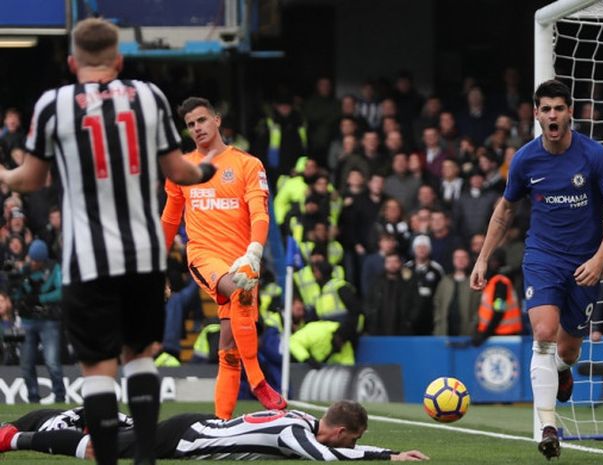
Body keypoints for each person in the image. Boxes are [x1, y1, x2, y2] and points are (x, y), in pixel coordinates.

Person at [0, 18, 217, 465]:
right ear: (118, 61)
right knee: (141, 357)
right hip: (143, 253)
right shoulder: (149, 97)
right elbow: (180, 172)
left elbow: (33, 179)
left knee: (98, 367)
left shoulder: (53, 104)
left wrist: (3, 173)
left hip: (87, 259)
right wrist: (207, 171)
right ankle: (144, 458)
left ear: (70, 62)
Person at [470, 79, 603, 460]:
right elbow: (505, 210)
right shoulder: (525, 159)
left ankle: (560, 368)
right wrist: (482, 258)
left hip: (585, 263)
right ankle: (547, 426)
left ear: (569, 112)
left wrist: (599, 260)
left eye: (559, 108)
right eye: (546, 109)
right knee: (543, 332)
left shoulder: (594, 155)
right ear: (537, 114)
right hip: (542, 256)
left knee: (569, 350)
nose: (553, 115)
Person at [161, 96, 286, 420]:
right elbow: (169, 221)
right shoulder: (181, 169)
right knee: (239, 289)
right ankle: (259, 382)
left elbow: (260, 213)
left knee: (228, 350)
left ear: (216, 119)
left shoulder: (247, 164)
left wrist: (254, 253)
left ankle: (221, 424)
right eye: (190, 124)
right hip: (204, 254)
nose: (197, 128)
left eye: (201, 120)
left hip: (243, 259)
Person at [0, 402, 428, 462]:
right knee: (98, 451)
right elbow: (325, 457)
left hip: (190, 426)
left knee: (113, 430)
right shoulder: (292, 433)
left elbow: (329, 449)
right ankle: (12, 439)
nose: (350, 443)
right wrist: (388, 456)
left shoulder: (297, 417)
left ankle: (86, 415)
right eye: (352, 437)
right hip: (183, 438)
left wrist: (385, 452)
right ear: (337, 430)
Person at [15, 239, 65, 403]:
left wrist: (39, 298)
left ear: (43, 260)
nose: (33, 263)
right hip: (27, 320)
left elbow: (60, 293)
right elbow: (16, 294)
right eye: (32, 259)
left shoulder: (54, 268)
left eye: (36, 260)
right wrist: (16, 286)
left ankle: (60, 397)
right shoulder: (25, 270)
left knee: (52, 362)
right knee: (26, 363)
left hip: (48, 320)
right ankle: (32, 398)